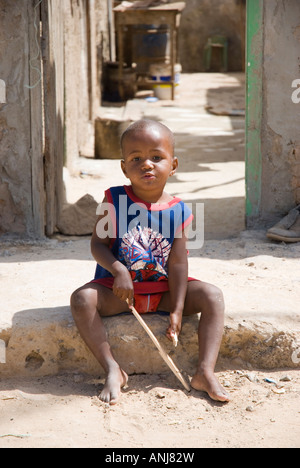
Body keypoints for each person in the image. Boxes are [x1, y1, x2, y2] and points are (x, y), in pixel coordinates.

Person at [70, 119, 230, 405]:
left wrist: (178, 309)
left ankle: (204, 372)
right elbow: (97, 244)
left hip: (162, 293)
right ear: (123, 167)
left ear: (173, 164)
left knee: (212, 296)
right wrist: (118, 269)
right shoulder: (114, 199)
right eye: (136, 158)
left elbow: (179, 263)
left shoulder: (179, 210)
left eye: (157, 157)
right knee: (82, 299)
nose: (147, 164)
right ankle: (112, 368)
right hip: (121, 295)